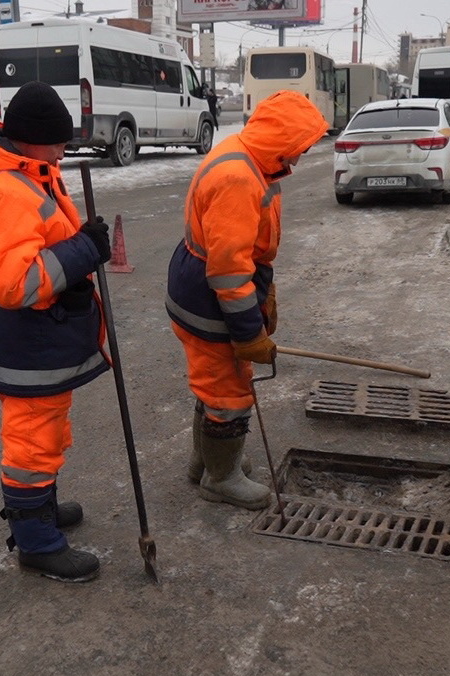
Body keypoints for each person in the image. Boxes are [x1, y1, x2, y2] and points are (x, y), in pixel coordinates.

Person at [0, 81, 113, 582]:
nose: (63, 153)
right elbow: (15, 284)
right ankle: (36, 541)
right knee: (32, 439)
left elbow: (41, 242)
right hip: (28, 336)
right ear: (33, 139)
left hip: (40, 335)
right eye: (58, 143)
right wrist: (84, 251)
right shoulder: (4, 192)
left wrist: (79, 242)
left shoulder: (28, 174)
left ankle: (42, 507)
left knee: (47, 429)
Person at [166, 91, 328, 510]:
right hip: (210, 296)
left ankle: (205, 463)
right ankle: (220, 478)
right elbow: (228, 271)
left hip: (198, 285)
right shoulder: (238, 177)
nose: (302, 157)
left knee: (213, 381)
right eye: (301, 147)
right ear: (282, 140)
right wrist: (249, 333)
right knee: (229, 391)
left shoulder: (249, 158)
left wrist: (263, 290)